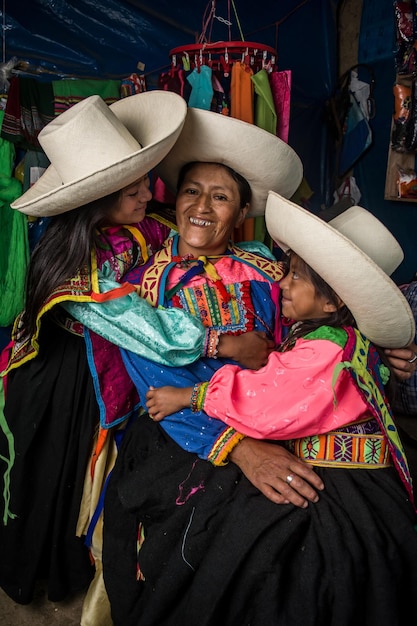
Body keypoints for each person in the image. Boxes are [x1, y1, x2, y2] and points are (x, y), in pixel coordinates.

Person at [74, 107, 417, 624]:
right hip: (186, 427)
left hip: (282, 410)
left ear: (241, 213)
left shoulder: (266, 267)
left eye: (221, 196)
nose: (202, 207)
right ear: (175, 198)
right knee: (227, 540)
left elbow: (324, 315)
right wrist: (240, 448)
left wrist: (382, 351)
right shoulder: (145, 284)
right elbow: (156, 380)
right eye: (192, 191)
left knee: (326, 538)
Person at [0, 90, 208, 609]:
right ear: (94, 200)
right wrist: (221, 339)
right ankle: (46, 571)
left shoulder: (149, 224)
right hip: (65, 382)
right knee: (57, 475)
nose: (146, 192)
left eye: (144, 178)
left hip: (105, 370)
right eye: (129, 187)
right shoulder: (75, 260)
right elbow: (149, 331)